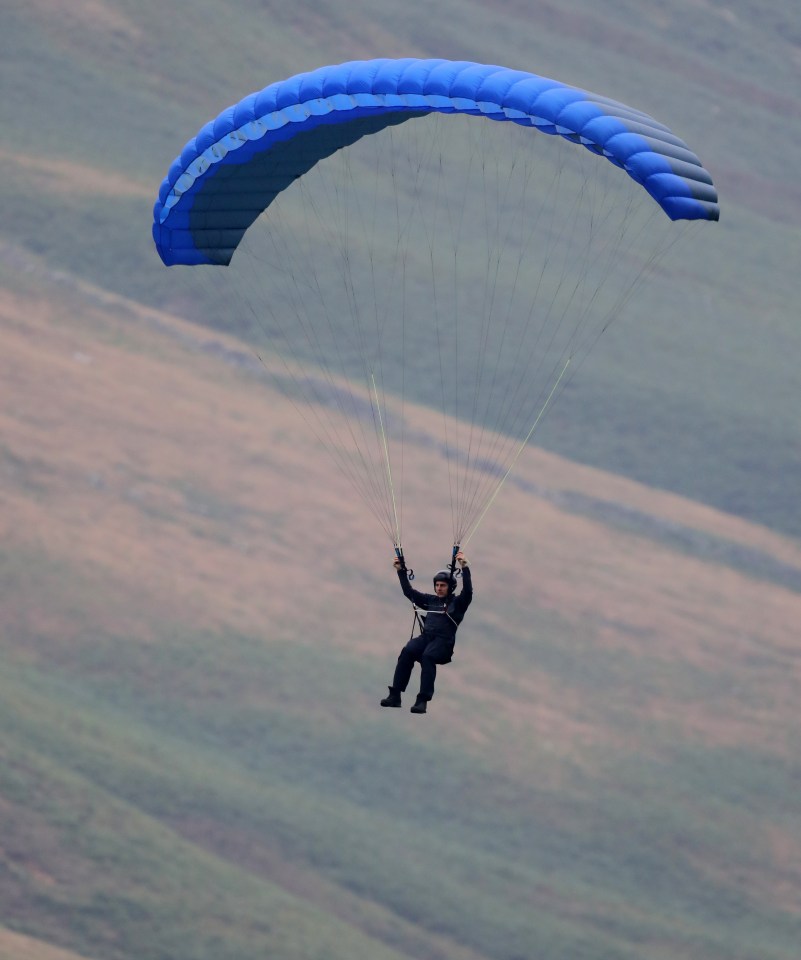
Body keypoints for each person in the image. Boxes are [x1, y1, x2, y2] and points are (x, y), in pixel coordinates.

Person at [380, 551, 473, 714]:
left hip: (443, 643)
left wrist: (464, 568)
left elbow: (468, 593)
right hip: (427, 638)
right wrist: (400, 571)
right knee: (408, 650)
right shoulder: (431, 600)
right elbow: (409, 592)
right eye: (437, 585)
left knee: (427, 656)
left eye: (442, 585)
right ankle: (395, 695)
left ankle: (422, 700)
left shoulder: (457, 603)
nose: (439, 588)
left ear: (450, 587)